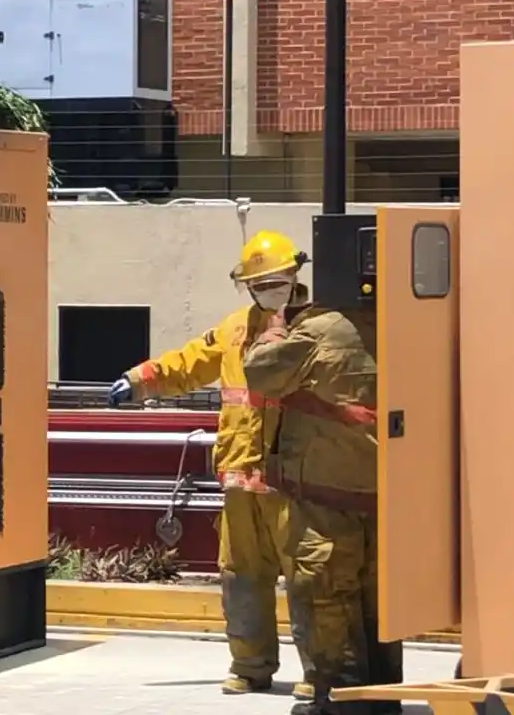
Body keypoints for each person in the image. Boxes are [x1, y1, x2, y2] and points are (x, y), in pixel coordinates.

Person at [108, 231, 315, 700]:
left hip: (296, 484)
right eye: (260, 284)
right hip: (242, 482)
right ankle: (250, 666)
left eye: (277, 281)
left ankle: (318, 672)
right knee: (241, 576)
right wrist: (138, 380)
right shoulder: (233, 331)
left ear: (295, 275)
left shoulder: (315, 328)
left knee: (309, 579)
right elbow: (188, 363)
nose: (270, 290)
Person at [241, 279, 404, 715]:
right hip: (383, 498)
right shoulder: (401, 324)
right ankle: (383, 701)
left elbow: (259, 371)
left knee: (327, 603)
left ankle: (340, 703)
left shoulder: (320, 330)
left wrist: (277, 325)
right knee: (377, 608)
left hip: (326, 503)